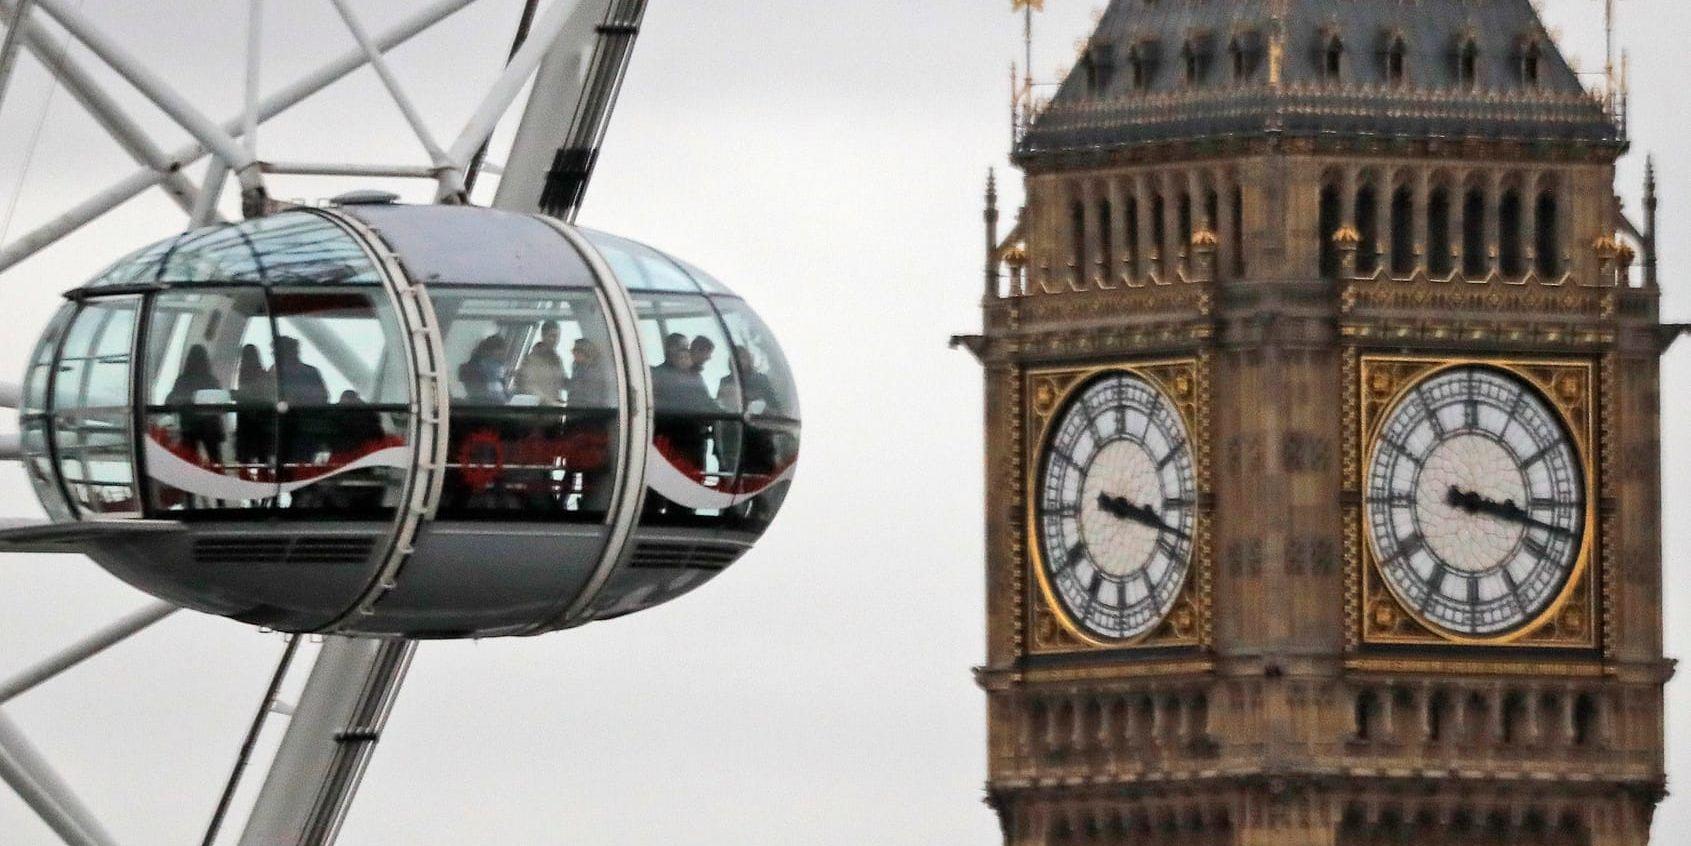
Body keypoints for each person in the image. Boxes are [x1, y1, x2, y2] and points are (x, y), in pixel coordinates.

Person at [274, 335, 331, 471]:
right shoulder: (310, 372)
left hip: (298, 428)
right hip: (300, 428)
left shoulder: (278, 374)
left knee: (294, 466)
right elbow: (323, 396)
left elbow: (322, 396)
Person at [166, 344, 225, 463]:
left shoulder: (182, 381)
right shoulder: (211, 380)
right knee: (215, 461)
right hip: (211, 426)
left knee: (190, 462)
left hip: (189, 427)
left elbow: (169, 401)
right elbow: (221, 403)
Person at [232, 344, 276, 471]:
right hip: (262, 422)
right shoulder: (263, 374)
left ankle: (246, 485)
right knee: (263, 459)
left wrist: (235, 395)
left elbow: (248, 394)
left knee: (244, 460)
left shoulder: (244, 375)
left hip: (246, 422)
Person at [514, 321, 566, 403]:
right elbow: (526, 385)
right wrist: (545, 399)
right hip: (536, 407)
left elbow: (561, 383)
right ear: (543, 336)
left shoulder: (557, 361)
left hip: (553, 409)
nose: (555, 340)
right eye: (552, 336)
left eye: (557, 336)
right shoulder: (532, 359)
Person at [458, 334, 511, 404]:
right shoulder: (471, 370)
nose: (499, 365)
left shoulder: (500, 382)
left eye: (501, 361)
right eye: (495, 359)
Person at [564, 338, 611, 408]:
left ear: (585, 352)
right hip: (574, 410)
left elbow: (580, 390)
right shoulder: (577, 368)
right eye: (574, 351)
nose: (574, 353)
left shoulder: (594, 371)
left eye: (577, 351)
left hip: (589, 410)